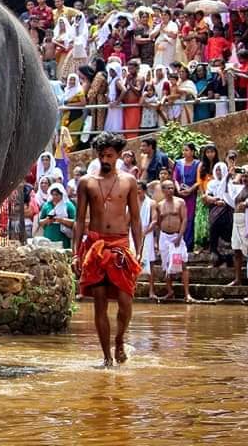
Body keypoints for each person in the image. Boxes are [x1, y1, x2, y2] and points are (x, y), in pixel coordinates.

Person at [73, 132, 142, 367]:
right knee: (99, 302)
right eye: (102, 155)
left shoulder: (129, 182)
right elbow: (80, 220)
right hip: (95, 245)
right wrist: (75, 253)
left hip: (120, 244)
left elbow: (135, 218)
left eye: (110, 155)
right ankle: (106, 357)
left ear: (118, 156)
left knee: (125, 301)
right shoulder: (86, 183)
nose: (106, 159)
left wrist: (138, 249)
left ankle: (120, 339)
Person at [156, 180, 196, 302]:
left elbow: (184, 220)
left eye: (172, 188)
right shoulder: (160, 205)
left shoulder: (180, 202)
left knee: (182, 264)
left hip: (176, 237)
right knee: (166, 265)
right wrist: (157, 240)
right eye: (167, 188)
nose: (170, 190)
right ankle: (170, 291)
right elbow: (158, 222)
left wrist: (179, 236)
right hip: (164, 237)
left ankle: (187, 294)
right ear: (163, 190)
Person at [225, 169, 248, 287]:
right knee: (236, 250)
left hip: (247, 221)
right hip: (236, 221)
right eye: (243, 177)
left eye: (247, 177)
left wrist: (247, 203)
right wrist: (228, 176)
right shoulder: (239, 189)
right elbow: (227, 193)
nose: (244, 179)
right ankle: (237, 279)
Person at [173, 142, 200, 251]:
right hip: (180, 194)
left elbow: (199, 180)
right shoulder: (178, 163)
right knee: (179, 217)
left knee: (189, 218)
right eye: (183, 150)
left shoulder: (198, 164)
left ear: (192, 152)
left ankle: (189, 245)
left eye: (187, 150)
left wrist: (190, 190)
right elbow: (175, 178)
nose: (184, 152)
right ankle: (178, 243)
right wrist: (179, 189)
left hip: (192, 195)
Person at [137, 180, 159, 300]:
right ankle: (131, 288)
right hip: (134, 234)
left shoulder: (152, 203)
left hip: (148, 234)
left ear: (144, 191)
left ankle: (151, 291)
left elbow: (154, 221)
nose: (137, 193)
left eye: (139, 191)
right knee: (132, 260)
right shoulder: (132, 202)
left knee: (150, 262)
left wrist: (144, 232)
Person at [37, 183, 75, 248]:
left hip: (62, 237)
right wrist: (47, 220)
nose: (54, 197)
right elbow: (40, 222)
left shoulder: (68, 206)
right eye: (53, 194)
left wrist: (62, 220)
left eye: (57, 195)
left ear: (62, 194)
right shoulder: (47, 205)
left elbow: (75, 222)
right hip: (49, 236)